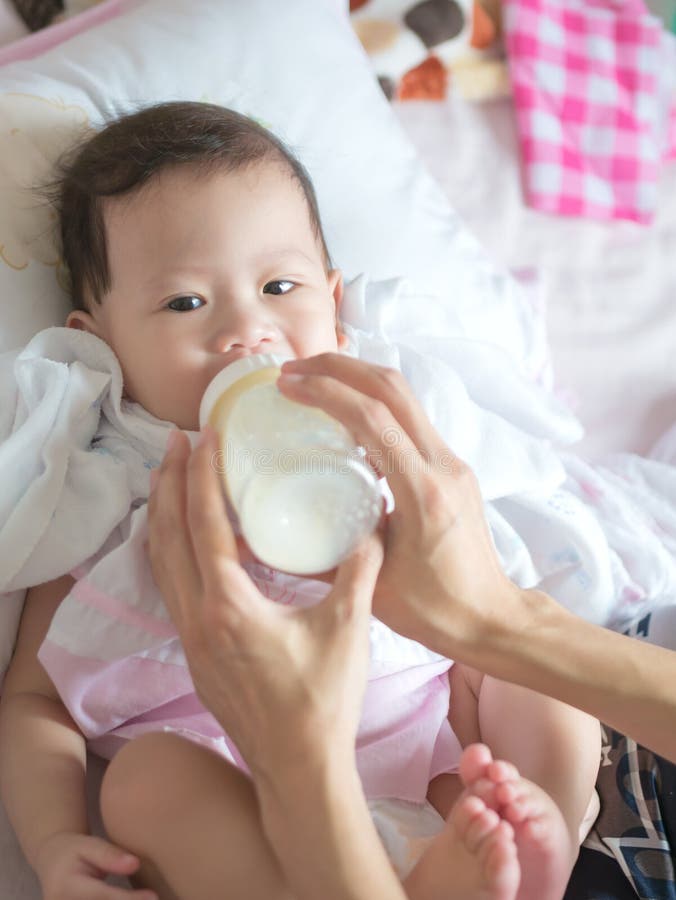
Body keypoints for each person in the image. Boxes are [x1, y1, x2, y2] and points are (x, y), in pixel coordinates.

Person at [0, 101, 600, 900]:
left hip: (426, 745)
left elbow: (483, 600)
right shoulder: (103, 484)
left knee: (544, 670)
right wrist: (53, 845)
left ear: (335, 303)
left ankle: (530, 836)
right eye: (185, 303)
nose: (249, 331)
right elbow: (35, 702)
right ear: (100, 342)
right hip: (229, 770)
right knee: (143, 784)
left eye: (280, 286)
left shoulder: (375, 430)